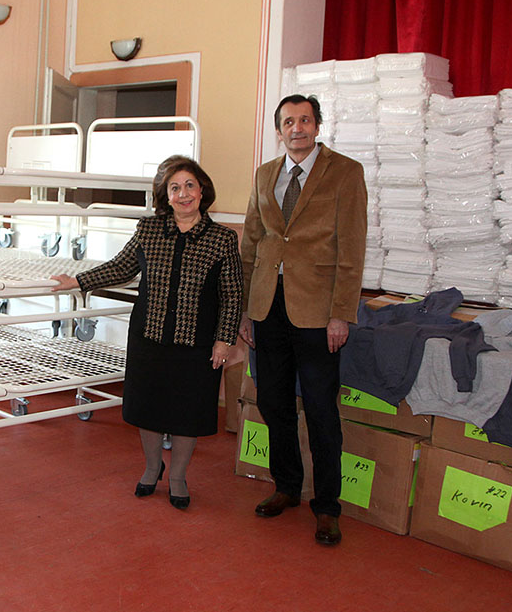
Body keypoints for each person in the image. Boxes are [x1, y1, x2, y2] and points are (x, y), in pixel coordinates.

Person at [51, 155, 243, 510]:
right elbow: (121, 267)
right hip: (149, 338)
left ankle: (178, 476)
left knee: (187, 413)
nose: (183, 194)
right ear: (165, 195)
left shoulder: (222, 238)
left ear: (202, 190)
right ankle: (153, 468)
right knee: (148, 408)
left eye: (189, 185)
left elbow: (232, 294)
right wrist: (77, 280)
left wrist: (224, 339)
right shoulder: (149, 229)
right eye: (175, 188)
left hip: (196, 343)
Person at [239, 94, 367, 545]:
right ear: (279, 130)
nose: (298, 128)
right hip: (267, 307)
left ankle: (327, 506)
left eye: (306, 120)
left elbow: (352, 248)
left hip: (317, 311)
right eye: (289, 121)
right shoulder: (264, 174)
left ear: (317, 125)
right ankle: (287, 486)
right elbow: (251, 242)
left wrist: (341, 314)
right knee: (273, 403)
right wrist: (244, 309)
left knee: (320, 411)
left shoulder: (345, 172)